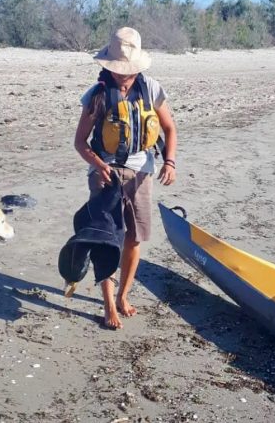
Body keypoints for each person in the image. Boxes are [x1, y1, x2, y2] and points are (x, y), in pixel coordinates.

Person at [74, 27, 178, 329]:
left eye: (129, 71)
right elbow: (80, 142)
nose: (123, 75)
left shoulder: (152, 89)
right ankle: (108, 304)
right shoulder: (96, 95)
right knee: (107, 239)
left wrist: (169, 162)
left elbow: (169, 129)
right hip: (105, 174)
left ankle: (123, 295)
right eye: (118, 70)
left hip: (141, 173)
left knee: (134, 237)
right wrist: (98, 164)